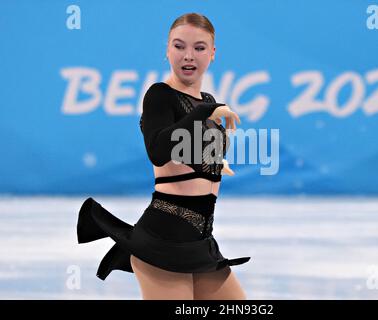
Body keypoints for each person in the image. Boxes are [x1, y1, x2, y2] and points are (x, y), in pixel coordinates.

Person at [76, 12, 250, 300]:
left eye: (199, 47)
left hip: (200, 241)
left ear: (213, 53)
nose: (188, 56)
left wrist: (216, 163)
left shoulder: (206, 101)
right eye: (179, 46)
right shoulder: (160, 95)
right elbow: (158, 151)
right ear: (167, 50)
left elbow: (190, 153)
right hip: (164, 239)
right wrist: (205, 113)